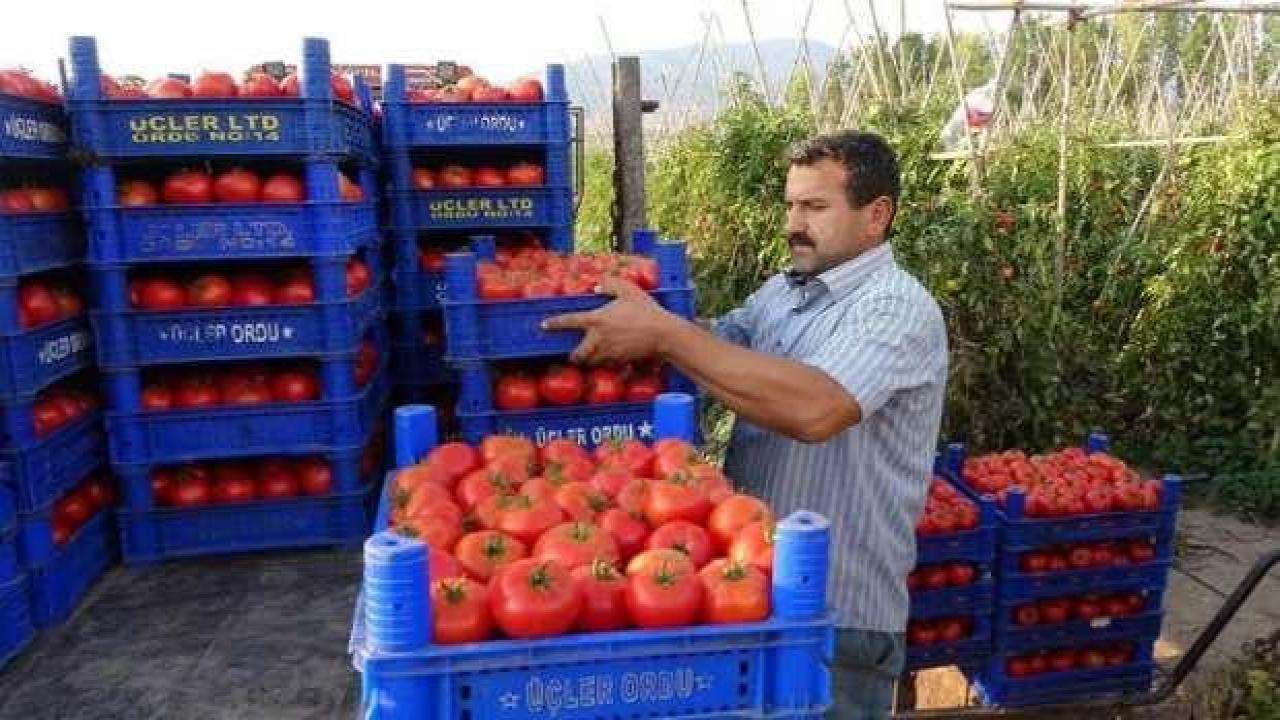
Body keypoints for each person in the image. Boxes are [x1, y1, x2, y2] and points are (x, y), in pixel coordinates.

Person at [543, 130, 948, 719]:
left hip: (838, 621)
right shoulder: (783, 294)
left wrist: (666, 334)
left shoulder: (896, 308)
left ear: (876, 215)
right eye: (790, 205)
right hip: (745, 596)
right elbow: (713, 351)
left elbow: (816, 408)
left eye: (814, 207)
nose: (794, 223)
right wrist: (643, 324)